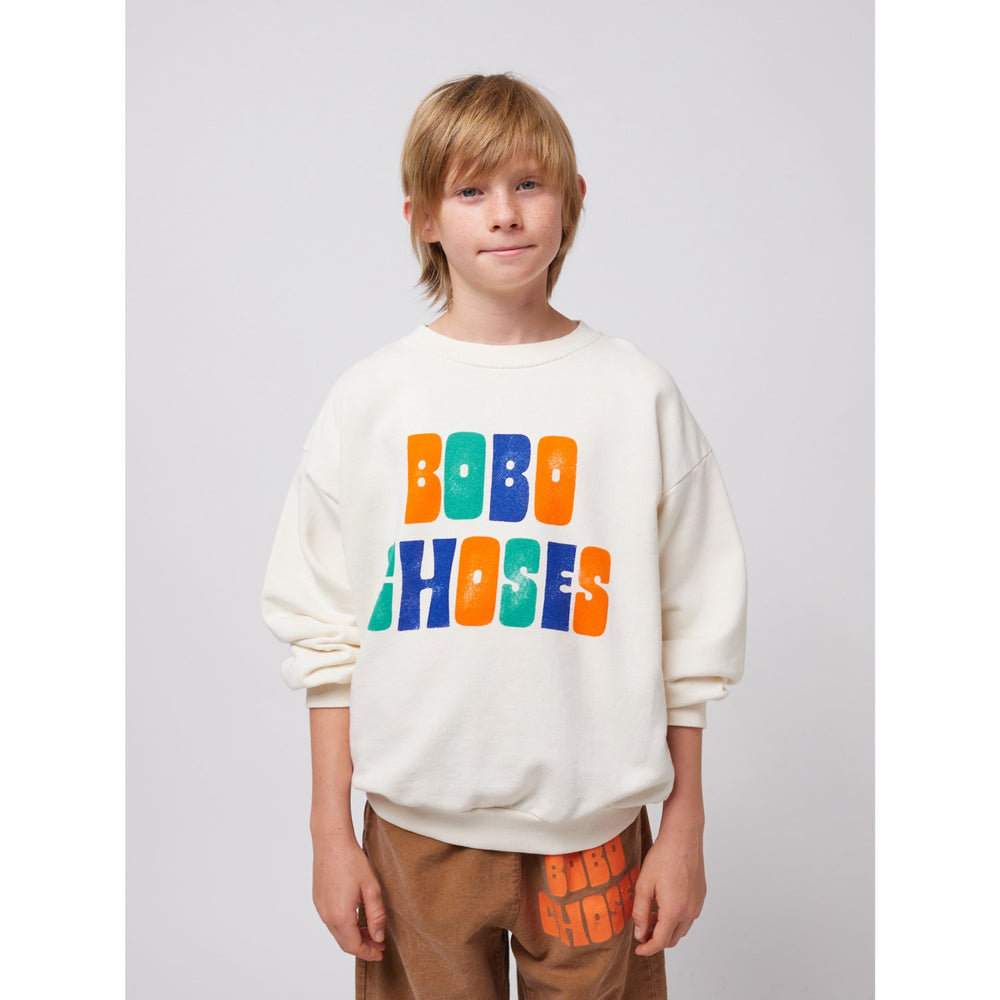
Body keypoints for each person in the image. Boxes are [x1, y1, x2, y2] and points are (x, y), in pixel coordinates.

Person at [261, 72, 748, 999]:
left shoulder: (634, 393)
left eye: (529, 183)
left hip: (594, 838)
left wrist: (684, 823)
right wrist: (330, 829)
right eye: (470, 190)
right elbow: (326, 633)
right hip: (416, 836)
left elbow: (693, 627)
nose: (505, 213)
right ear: (422, 219)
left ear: (573, 201)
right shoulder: (373, 400)